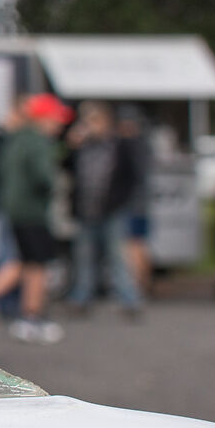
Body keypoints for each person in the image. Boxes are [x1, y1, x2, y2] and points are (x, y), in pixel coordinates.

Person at [0, 93, 70, 344]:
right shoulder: (39, 142)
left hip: (15, 209)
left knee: (23, 262)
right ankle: (32, 317)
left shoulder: (16, 138)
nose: (59, 124)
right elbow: (44, 177)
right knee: (37, 266)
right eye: (56, 118)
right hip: (32, 211)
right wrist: (54, 185)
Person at [63, 101, 144, 319]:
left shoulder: (119, 145)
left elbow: (132, 177)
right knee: (84, 257)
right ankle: (81, 298)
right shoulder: (82, 147)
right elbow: (66, 168)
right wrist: (71, 146)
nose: (89, 125)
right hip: (86, 210)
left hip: (111, 211)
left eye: (93, 120)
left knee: (117, 256)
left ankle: (129, 300)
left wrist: (119, 201)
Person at [116, 106, 155, 303]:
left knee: (133, 245)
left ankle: (137, 287)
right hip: (141, 201)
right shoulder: (145, 143)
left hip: (132, 202)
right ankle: (142, 286)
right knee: (140, 244)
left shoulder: (131, 145)